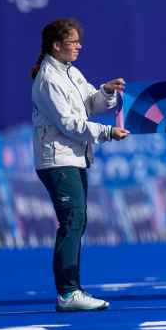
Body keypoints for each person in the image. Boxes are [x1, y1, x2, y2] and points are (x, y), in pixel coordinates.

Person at [31, 18, 130, 311]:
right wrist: (108, 132)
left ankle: (71, 290)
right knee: (73, 220)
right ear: (56, 45)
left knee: (77, 220)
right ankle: (68, 292)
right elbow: (69, 124)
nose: (79, 46)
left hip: (73, 157)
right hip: (57, 159)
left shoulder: (70, 72)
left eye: (78, 41)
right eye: (73, 41)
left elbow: (90, 102)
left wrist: (107, 91)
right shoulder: (49, 78)